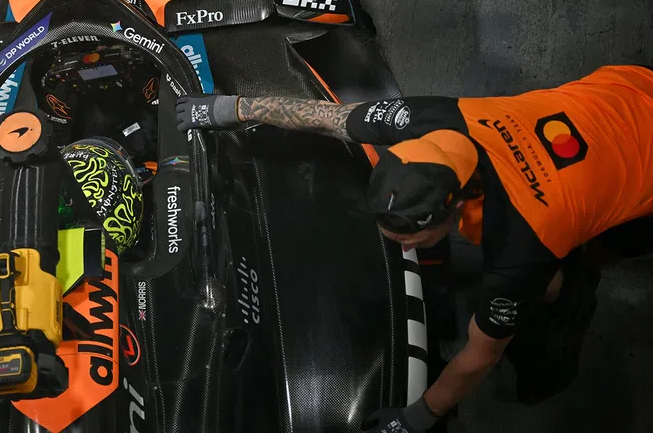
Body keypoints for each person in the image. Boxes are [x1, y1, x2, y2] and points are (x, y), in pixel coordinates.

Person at [176, 64, 653, 433]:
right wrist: (229, 109)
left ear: (452, 212)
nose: (399, 245)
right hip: (626, 90)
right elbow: (327, 117)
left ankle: (583, 275)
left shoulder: (521, 244)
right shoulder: (429, 121)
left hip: (643, 172)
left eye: (409, 238)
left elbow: (478, 357)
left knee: (576, 266)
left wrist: (417, 417)